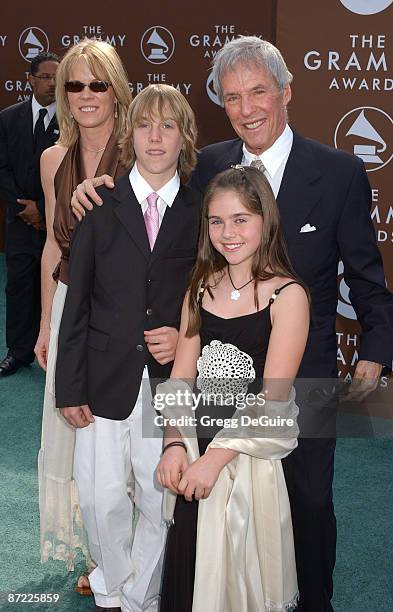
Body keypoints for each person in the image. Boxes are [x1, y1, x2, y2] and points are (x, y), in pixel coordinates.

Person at [70, 36, 393, 611]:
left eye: (259, 92)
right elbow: (156, 198)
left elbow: (367, 277)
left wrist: (375, 349)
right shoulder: (211, 163)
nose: (247, 108)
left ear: (287, 92)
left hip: (304, 371)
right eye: (234, 97)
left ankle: (312, 601)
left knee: (309, 502)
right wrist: (100, 187)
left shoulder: (339, 171)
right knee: (215, 508)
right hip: (222, 368)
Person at [55, 84, 201, 612]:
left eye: (168, 125)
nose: (155, 137)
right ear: (128, 133)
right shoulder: (97, 205)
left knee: (160, 492)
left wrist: (185, 334)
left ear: (185, 137)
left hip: (167, 379)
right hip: (102, 374)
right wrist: (68, 385)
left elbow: (210, 290)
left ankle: (143, 593)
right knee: (100, 495)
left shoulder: (203, 210)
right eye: (144, 125)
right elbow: (79, 306)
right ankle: (113, 582)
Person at [156, 165, 309, 611]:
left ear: (266, 221)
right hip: (194, 454)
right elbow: (181, 378)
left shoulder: (288, 296)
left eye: (241, 219)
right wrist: (173, 445)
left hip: (242, 459)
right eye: (217, 221)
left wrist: (213, 462)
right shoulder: (201, 287)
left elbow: (273, 399)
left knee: (236, 583)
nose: (228, 232)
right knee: (191, 576)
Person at [34, 38, 131, 595]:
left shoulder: (143, 148)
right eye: (75, 84)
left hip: (122, 308)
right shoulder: (53, 159)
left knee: (128, 435)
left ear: (116, 89)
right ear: (62, 94)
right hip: (72, 304)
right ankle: (106, 562)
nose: (86, 95)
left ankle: (139, 557)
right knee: (81, 435)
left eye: (98, 83)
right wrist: (47, 322)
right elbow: (51, 245)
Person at [0, 51, 60, 376]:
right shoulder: (8, 118)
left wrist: (43, 207)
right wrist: (26, 207)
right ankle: (18, 352)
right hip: (20, 221)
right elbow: (2, 167)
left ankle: (57, 350)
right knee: (19, 286)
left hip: (57, 221)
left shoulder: (73, 121)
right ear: (30, 80)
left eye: (57, 77)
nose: (53, 84)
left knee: (57, 285)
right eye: (47, 77)